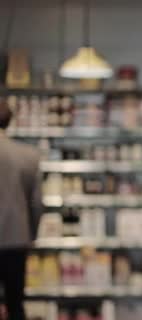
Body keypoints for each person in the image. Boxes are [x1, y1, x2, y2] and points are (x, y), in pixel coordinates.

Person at [0, 99, 43, 320]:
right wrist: (31, 234)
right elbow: (36, 203)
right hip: (16, 239)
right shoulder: (28, 155)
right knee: (16, 304)